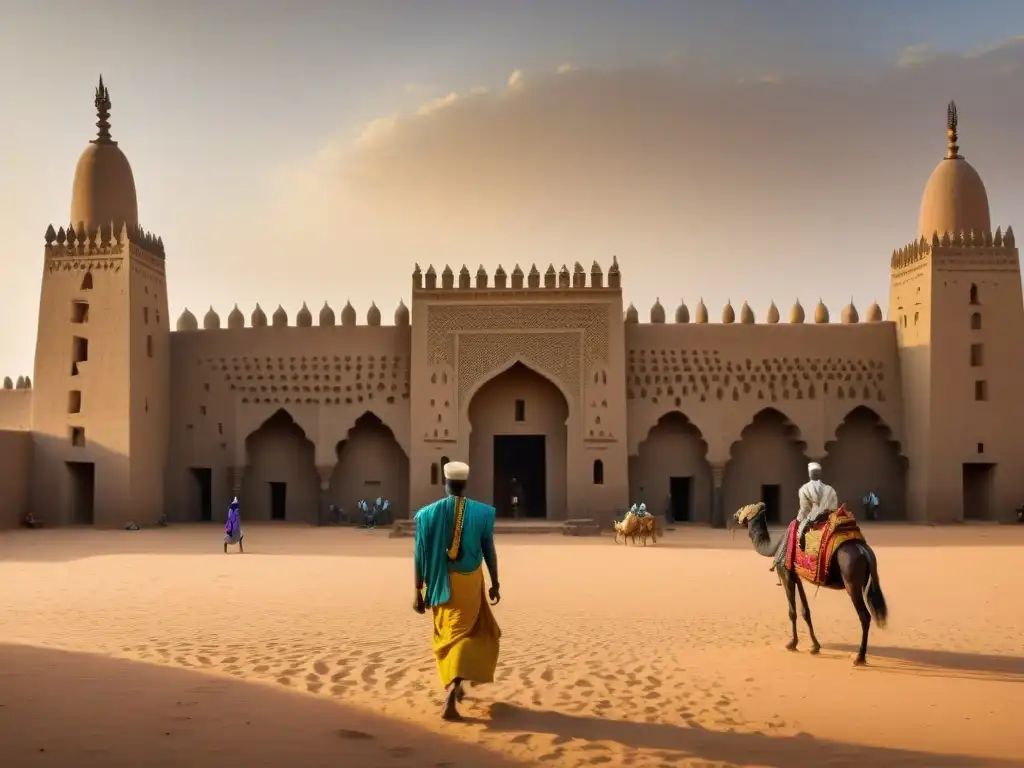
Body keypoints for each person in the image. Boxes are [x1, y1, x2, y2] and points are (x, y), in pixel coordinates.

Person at [413, 460, 501, 721]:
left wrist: (418, 590)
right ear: (465, 483)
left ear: (445, 483)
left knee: (448, 635)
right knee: (468, 633)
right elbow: (489, 551)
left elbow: (419, 556)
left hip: (440, 584)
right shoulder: (483, 513)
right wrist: (495, 582)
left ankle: (454, 684)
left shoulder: (426, 515)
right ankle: (455, 686)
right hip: (470, 583)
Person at [797, 462, 839, 551]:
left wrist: (798, 520)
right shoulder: (830, 489)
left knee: (799, 534)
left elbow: (805, 509)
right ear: (820, 474)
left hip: (813, 520)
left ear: (809, 474)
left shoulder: (804, 489)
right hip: (829, 519)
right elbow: (834, 507)